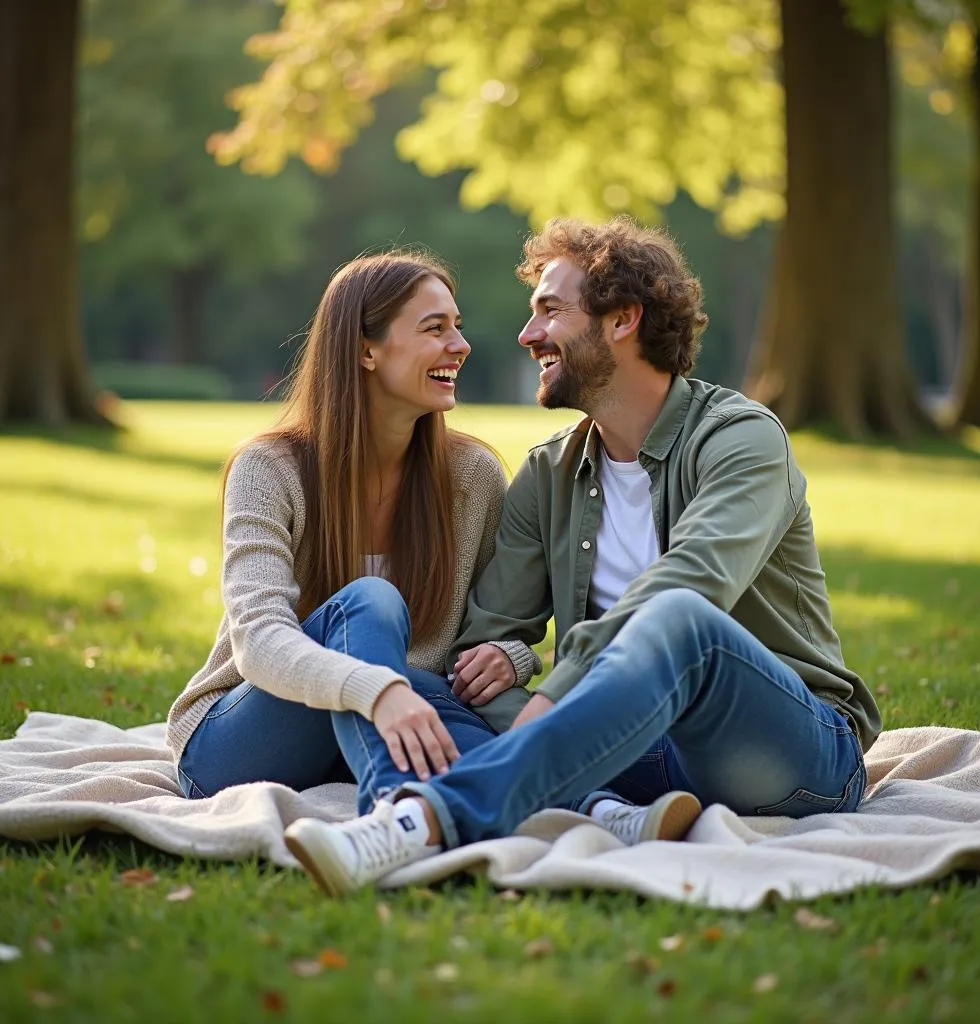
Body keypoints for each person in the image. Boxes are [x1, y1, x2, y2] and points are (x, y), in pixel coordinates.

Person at [282, 218, 883, 896]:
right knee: (415, 687)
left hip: (789, 754)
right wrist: (517, 677)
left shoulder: (742, 439)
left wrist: (557, 696)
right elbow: (486, 645)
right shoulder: (549, 474)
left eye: (549, 311)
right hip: (633, 757)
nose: (526, 334)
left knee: (678, 619)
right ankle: (600, 809)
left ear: (623, 320)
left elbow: (693, 582)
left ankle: (422, 822)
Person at [167, 250, 695, 847]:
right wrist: (381, 689)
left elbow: (496, 633)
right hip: (241, 739)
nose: (460, 345)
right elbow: (260, 641)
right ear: (367, 350)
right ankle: (407, 811)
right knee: (370, 604)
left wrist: (507, 659)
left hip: (395, 724)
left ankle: (594, 812)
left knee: (437, 692)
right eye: (434, 328)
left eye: (458, 326)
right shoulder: (270, 469)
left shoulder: (471, 476)